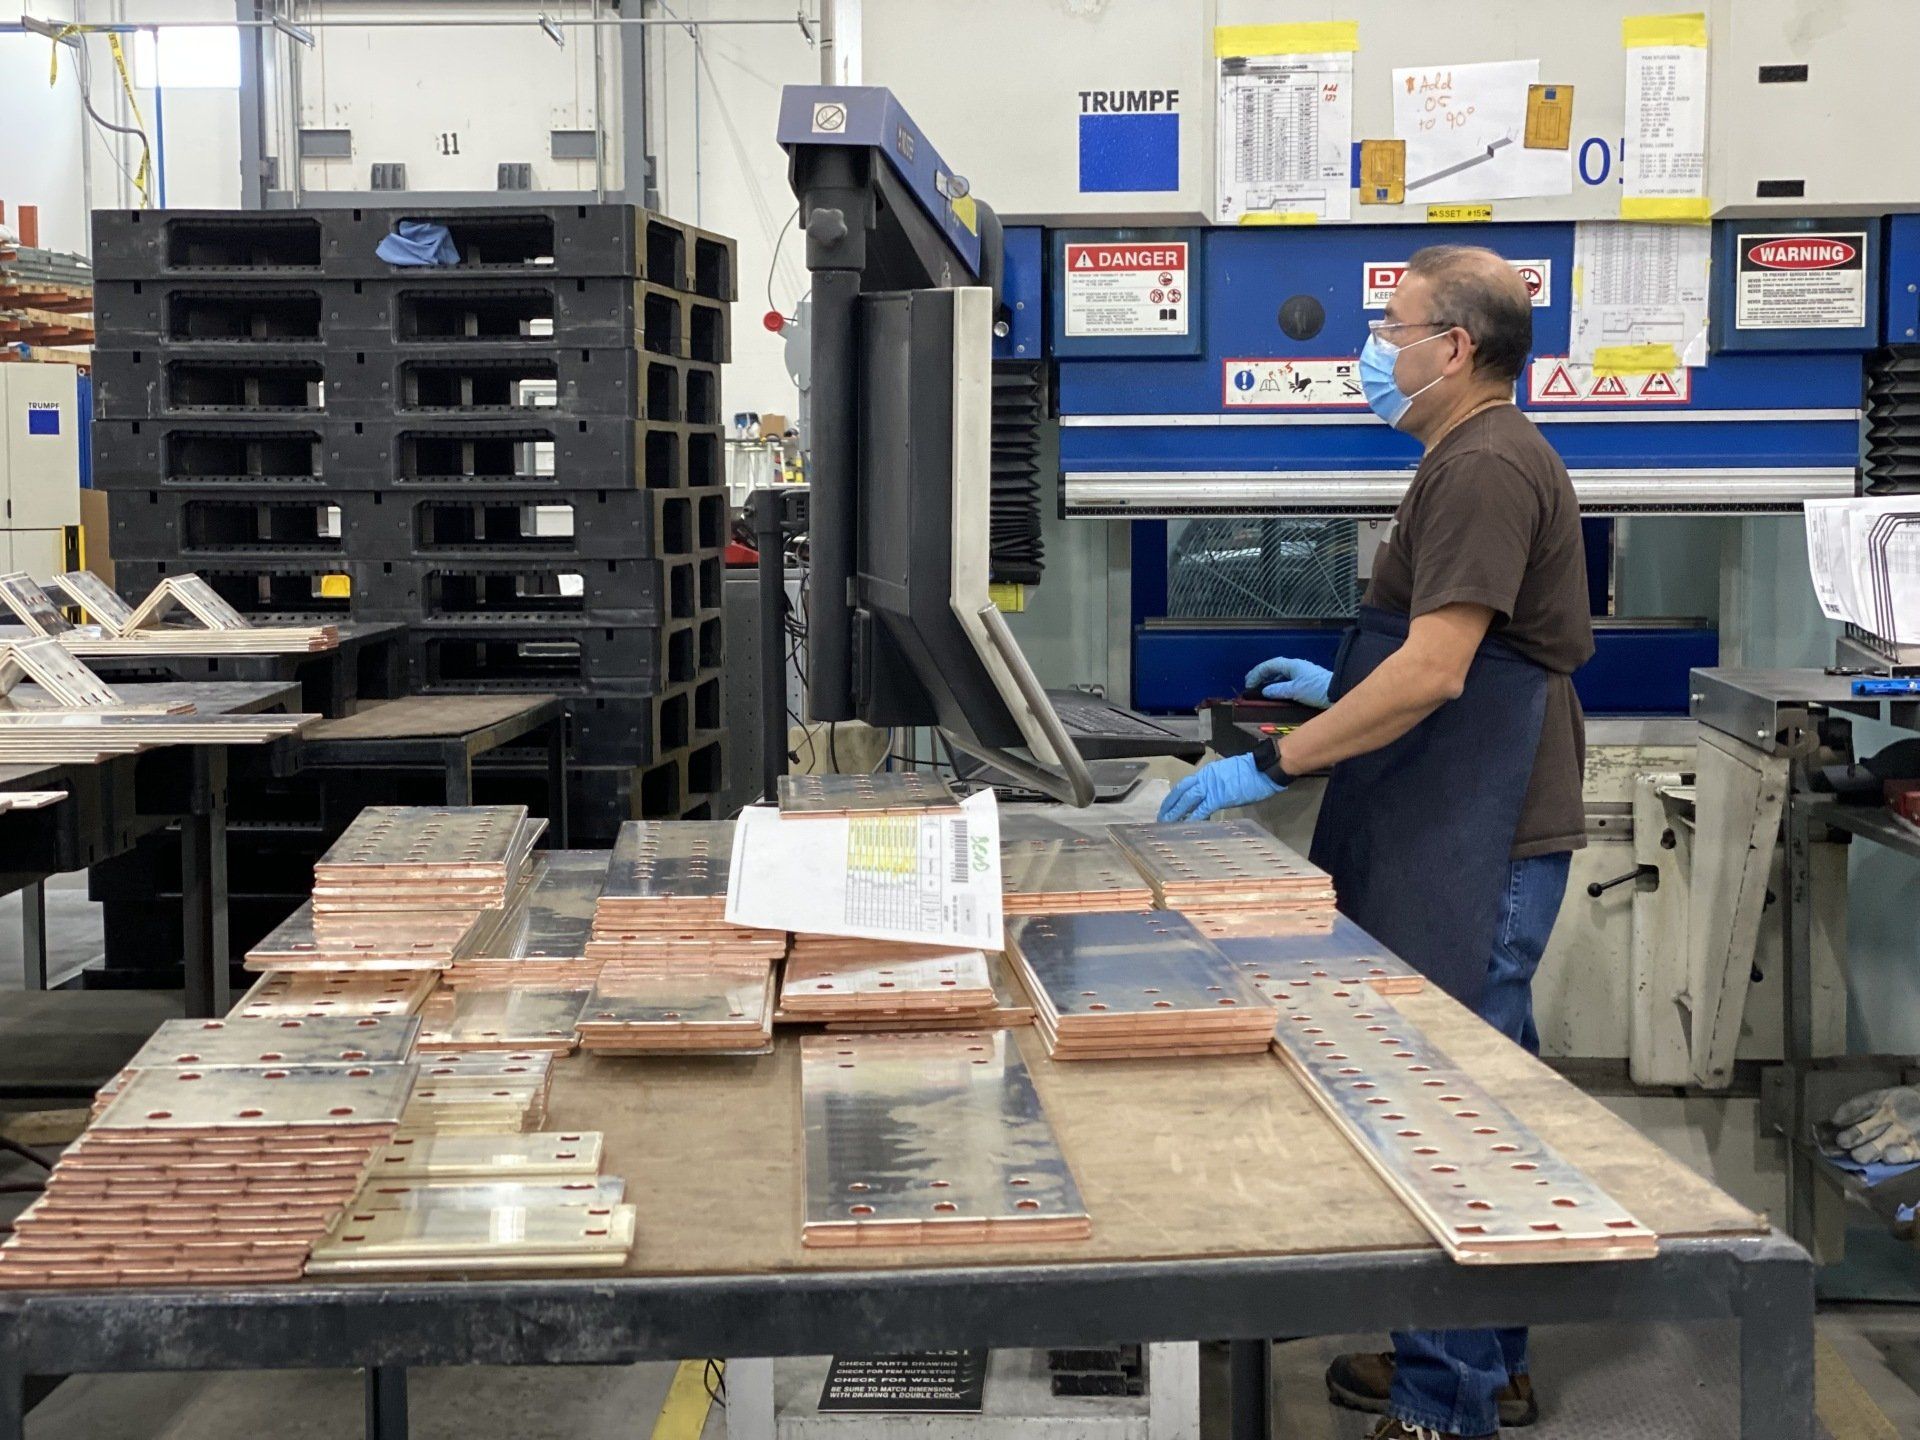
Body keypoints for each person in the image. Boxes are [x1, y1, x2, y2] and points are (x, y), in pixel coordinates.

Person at [1159, 246, 1594, 1440]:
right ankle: (1482, 1364)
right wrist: (1340, 685)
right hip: (1461, 808)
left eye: (1389, 328)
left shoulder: (1486, 464)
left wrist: (1272, 763)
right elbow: (1442, 649)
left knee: (1448, 1102)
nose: (1369, 352)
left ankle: (1442, 1404)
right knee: (1487, 1095)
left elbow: (1440, 670)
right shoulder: (1464, 454)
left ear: (1453, 347)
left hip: (1483, 828)